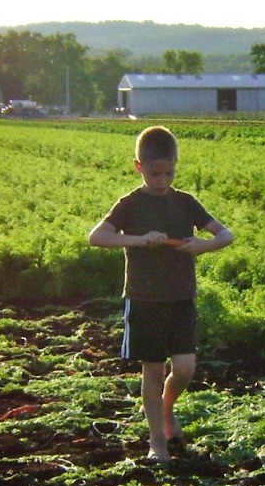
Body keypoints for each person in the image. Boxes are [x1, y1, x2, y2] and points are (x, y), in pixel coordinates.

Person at [88, 126, 234, 462]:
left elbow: (226, 234)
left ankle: (167, 411)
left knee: (185, 368)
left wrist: (204, 246)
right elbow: (97, 237)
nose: (163, 179)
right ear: (138, 167)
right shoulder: (129, 205)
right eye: (155, 173)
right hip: (144, 300)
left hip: (182, 298)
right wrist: (139, 240)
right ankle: (157, 442)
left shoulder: (185, 202)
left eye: (169, 172)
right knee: (152, 371)